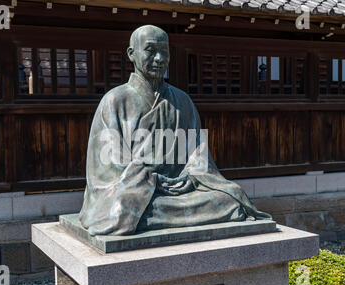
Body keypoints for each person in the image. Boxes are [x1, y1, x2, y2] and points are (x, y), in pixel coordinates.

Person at [78, 25, 272, 236]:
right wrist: (149, 179)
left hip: (180, 190)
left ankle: (153, 216)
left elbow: (198, 155)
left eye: (165, 51)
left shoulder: (182, 101)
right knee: (123, 208)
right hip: (137, 189)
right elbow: (107, 169)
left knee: (230, 199)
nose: (160, 58)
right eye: (151, 50)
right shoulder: (115, 101)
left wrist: (189, 176)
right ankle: (146, 214)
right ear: (131, 54)